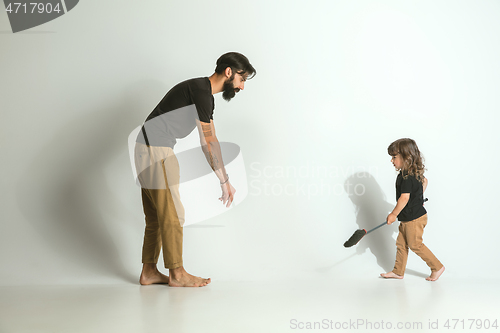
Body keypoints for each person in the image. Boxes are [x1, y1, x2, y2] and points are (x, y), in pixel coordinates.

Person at [134, 52, 256, 287]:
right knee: (172, 214)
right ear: (228, 72)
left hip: (144, 147)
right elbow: (208, 142)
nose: (241, 87)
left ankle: (148, 271)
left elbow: (209, 139)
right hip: (156, 150)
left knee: (156, 217)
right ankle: (177, 274)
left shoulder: (199, 89)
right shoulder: (202, 93)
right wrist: (224, 181)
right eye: (242, 79)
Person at [380, 138, 445, 281]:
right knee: (401, 244)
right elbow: (425, 181)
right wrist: (419, 199)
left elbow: (404, 198)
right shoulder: (410, 173)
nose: (392, 160)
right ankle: (398, 271)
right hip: (408, 216)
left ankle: (437, 267)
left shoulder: (406, 177)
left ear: (406, 157)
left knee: (415, 244)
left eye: (394, 157)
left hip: (414, 218)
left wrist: (392, 214)